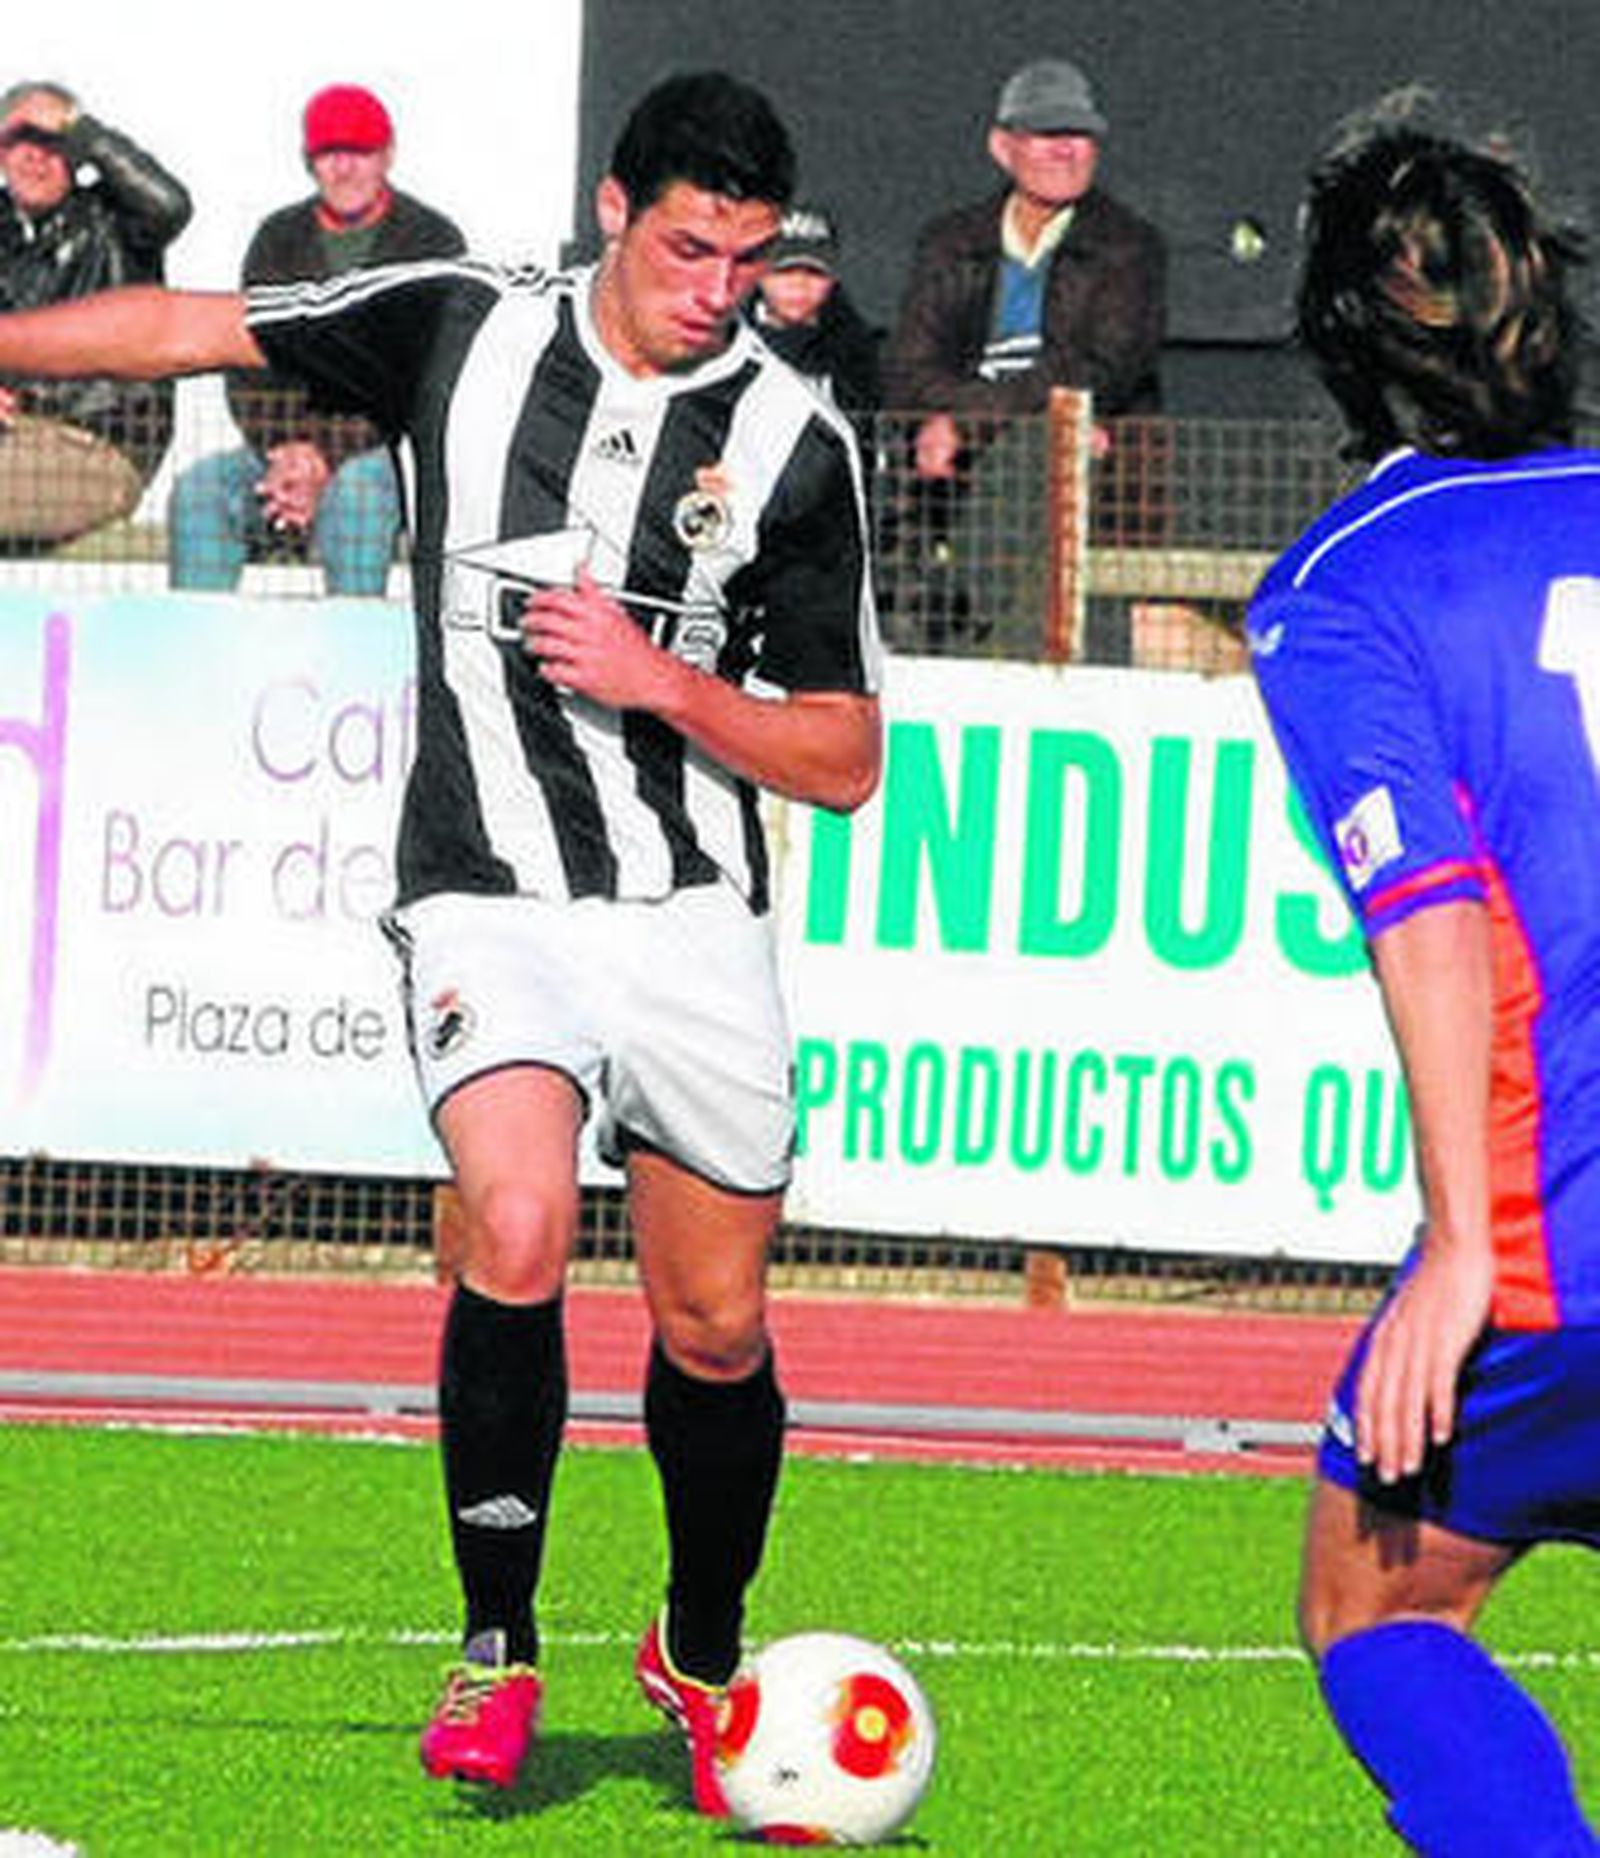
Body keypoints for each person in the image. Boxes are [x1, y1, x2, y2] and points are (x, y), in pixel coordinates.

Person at [0, 69, 881, 1815]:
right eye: (694, 247)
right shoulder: (458, 321)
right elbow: (194, 320)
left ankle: (699, 1645)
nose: (720, 285)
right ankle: (497, 1641)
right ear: (619, 212)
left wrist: (666, 683)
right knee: (521, 1214)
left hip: (692, 911)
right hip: (482, 882)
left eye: (750, 257)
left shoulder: (794, 439)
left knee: (713, 1323)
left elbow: (844, 759)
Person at [1248, 97, 1600, 1855]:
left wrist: (1461, 1247)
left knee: (1378, 1605)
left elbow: (1433, 909)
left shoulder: (1343, 586)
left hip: (1566, 1246)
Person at [880, 57, 1165, 653]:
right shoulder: (950, 242)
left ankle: (980, 636)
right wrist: (945, 420)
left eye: (1080, 135)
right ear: (1003, 147)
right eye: (1047, 134)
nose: (1067, 150)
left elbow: (1104, 369)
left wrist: (966, 420)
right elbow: (910, 365)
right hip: (954, 463)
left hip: (1067, 456)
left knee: (1045, 447)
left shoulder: (1129, 246)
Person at [168, 84, 464, 595]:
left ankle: (359, 662)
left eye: (360, 151)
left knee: (357, 498)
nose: (344, 168)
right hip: (282, 450)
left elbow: (417, 377)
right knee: (200, 492)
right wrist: (287, 453)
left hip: (388, 456)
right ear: (310, 161)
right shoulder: (277, 238)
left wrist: (325, 456)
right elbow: (248, 364)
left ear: (387, 155)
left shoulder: (432, 241)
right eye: (329, 153)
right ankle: (197, 660)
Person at [0, 79, 190, 547]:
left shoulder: (116, 219)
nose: (34, 156)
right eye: (17, 141)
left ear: (80, 152)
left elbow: (170, 206)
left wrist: (85, 132)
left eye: (52, 141)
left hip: (98, 444)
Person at [745, 204, 881, 415]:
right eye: (784, 270)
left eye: (815, 272)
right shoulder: (714, 355)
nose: (799, 284)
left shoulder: (865, 366)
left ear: (833, 278)